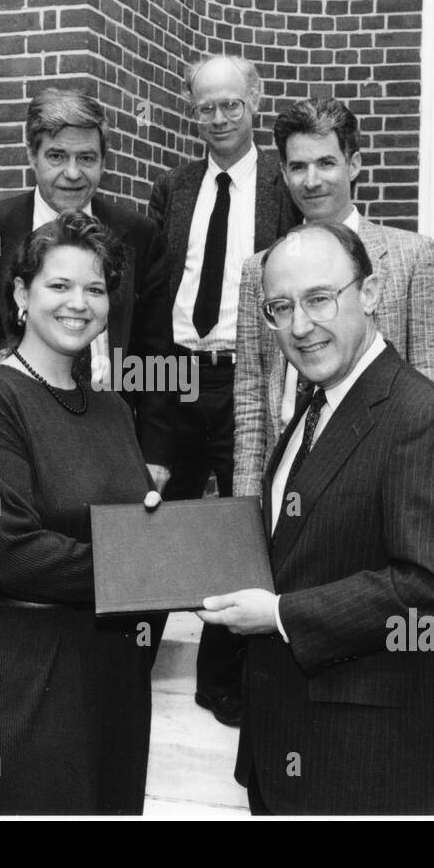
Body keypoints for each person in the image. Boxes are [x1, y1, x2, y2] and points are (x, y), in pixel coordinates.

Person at [200, 221, 434, 814]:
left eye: (320, 299)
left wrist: (279, 615)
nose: (300, 326)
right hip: (285, 743)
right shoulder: (315, 406)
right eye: (281, 307)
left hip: (364, 761)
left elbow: (433, 588)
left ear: (372, 293)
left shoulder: (423, 418)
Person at [0, 211, 155, 814]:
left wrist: (157, 532)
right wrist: (152, 564)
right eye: (59, 286)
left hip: (110, 674)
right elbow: (7, 551)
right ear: (22, 295)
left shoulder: (113, 412)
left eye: (96, 288)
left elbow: (117, 529)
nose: (79, 303)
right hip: (14, 672)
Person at [148, 54, 298, 726]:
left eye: (229, 104)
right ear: (192, 109)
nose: (217, 117)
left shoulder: (283, 185)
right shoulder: (173, 187)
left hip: (248, 369)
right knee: (157, 513)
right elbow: (156, 288)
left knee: (242, 523)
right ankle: (134, 659)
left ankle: (223, 680)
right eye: (205, 106)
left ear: (255, 100)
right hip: (175, 371)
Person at [0, 88, 172, 487]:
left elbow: (158, 354)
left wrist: (156, 456)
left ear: (103, 162)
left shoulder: (141, 236)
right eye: (57, 156)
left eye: (87, 158)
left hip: (115, 444)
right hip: (11, 444)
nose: (73, 173)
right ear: (32, 155)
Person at [233, 95, 434, 503]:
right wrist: (246, 508)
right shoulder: (258, 271)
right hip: (286, 475)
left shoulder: (410, 255)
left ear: (354, 164)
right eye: (298, 167)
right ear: (282, 172)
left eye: (326, 163)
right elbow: (249, 399)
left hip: (376, 481)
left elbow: (433, 391)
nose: (311, 180)